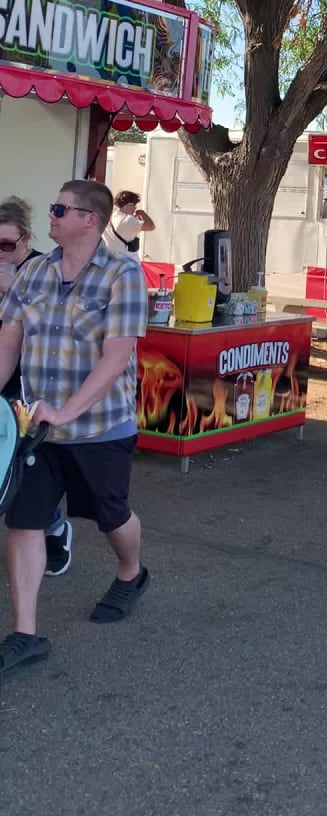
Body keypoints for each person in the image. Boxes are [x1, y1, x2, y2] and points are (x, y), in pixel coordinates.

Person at [0, 180, 149, 677]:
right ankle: (25, 634)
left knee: (111, 516)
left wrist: (66, 412)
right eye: (52, 206)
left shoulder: (123, 273)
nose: (52, 214)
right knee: (24, 519)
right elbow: (8, 344)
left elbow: (117, 357)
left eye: (60, 208)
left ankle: (130, 573)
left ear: (91, 219)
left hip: (100, 427)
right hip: (36, 429)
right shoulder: (33, 273)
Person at [0, 196, 73, 577]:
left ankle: (54, 527)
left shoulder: (42, 271)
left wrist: (12, 293)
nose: (1, 253)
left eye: (6, 245)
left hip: (27, 385)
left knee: (22, 473)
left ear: (26, 239)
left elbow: (54, 329)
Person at [102, 190, 155, 254]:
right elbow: (151, 226)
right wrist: (143, 214)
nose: (135, 208)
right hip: (124, 260)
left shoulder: (110, 216)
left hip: (108, 257)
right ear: (127, 205)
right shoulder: (127, 220)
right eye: (133, 205)